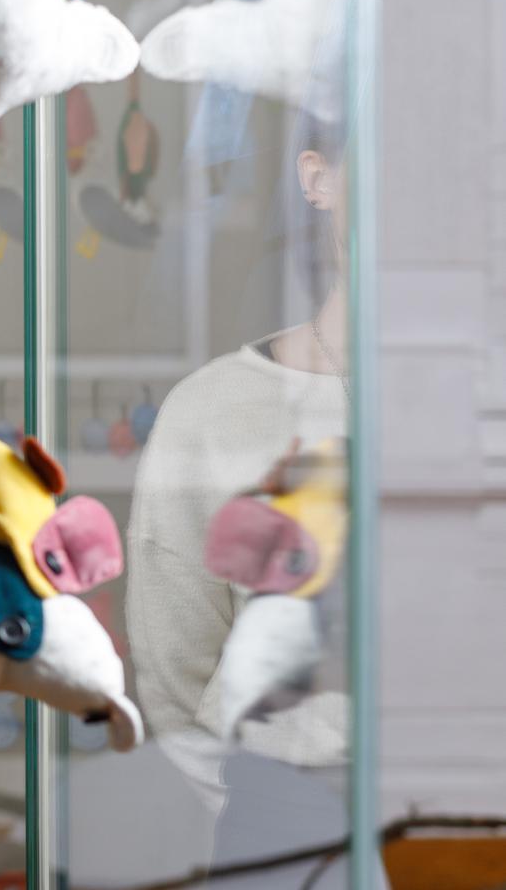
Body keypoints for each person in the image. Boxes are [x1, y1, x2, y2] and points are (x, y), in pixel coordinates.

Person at [125, 110, 371, 886]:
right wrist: (257, 793)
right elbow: (172, 665)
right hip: (282, 807)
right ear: (318, 179)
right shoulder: (214, 410)